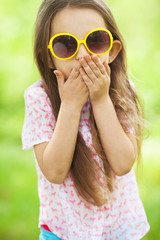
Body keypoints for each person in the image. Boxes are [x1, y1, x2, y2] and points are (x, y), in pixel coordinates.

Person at [21, 0, 150, 239]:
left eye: (95, 41)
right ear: (49, 58)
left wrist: (101, 100)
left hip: (118, 231)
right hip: (62, 232)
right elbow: (55, 171)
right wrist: (70, 106)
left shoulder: (122, 91)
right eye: (66, 45)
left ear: (111, 51)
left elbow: (123, 163)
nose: (83, 55)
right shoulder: (40, 99)